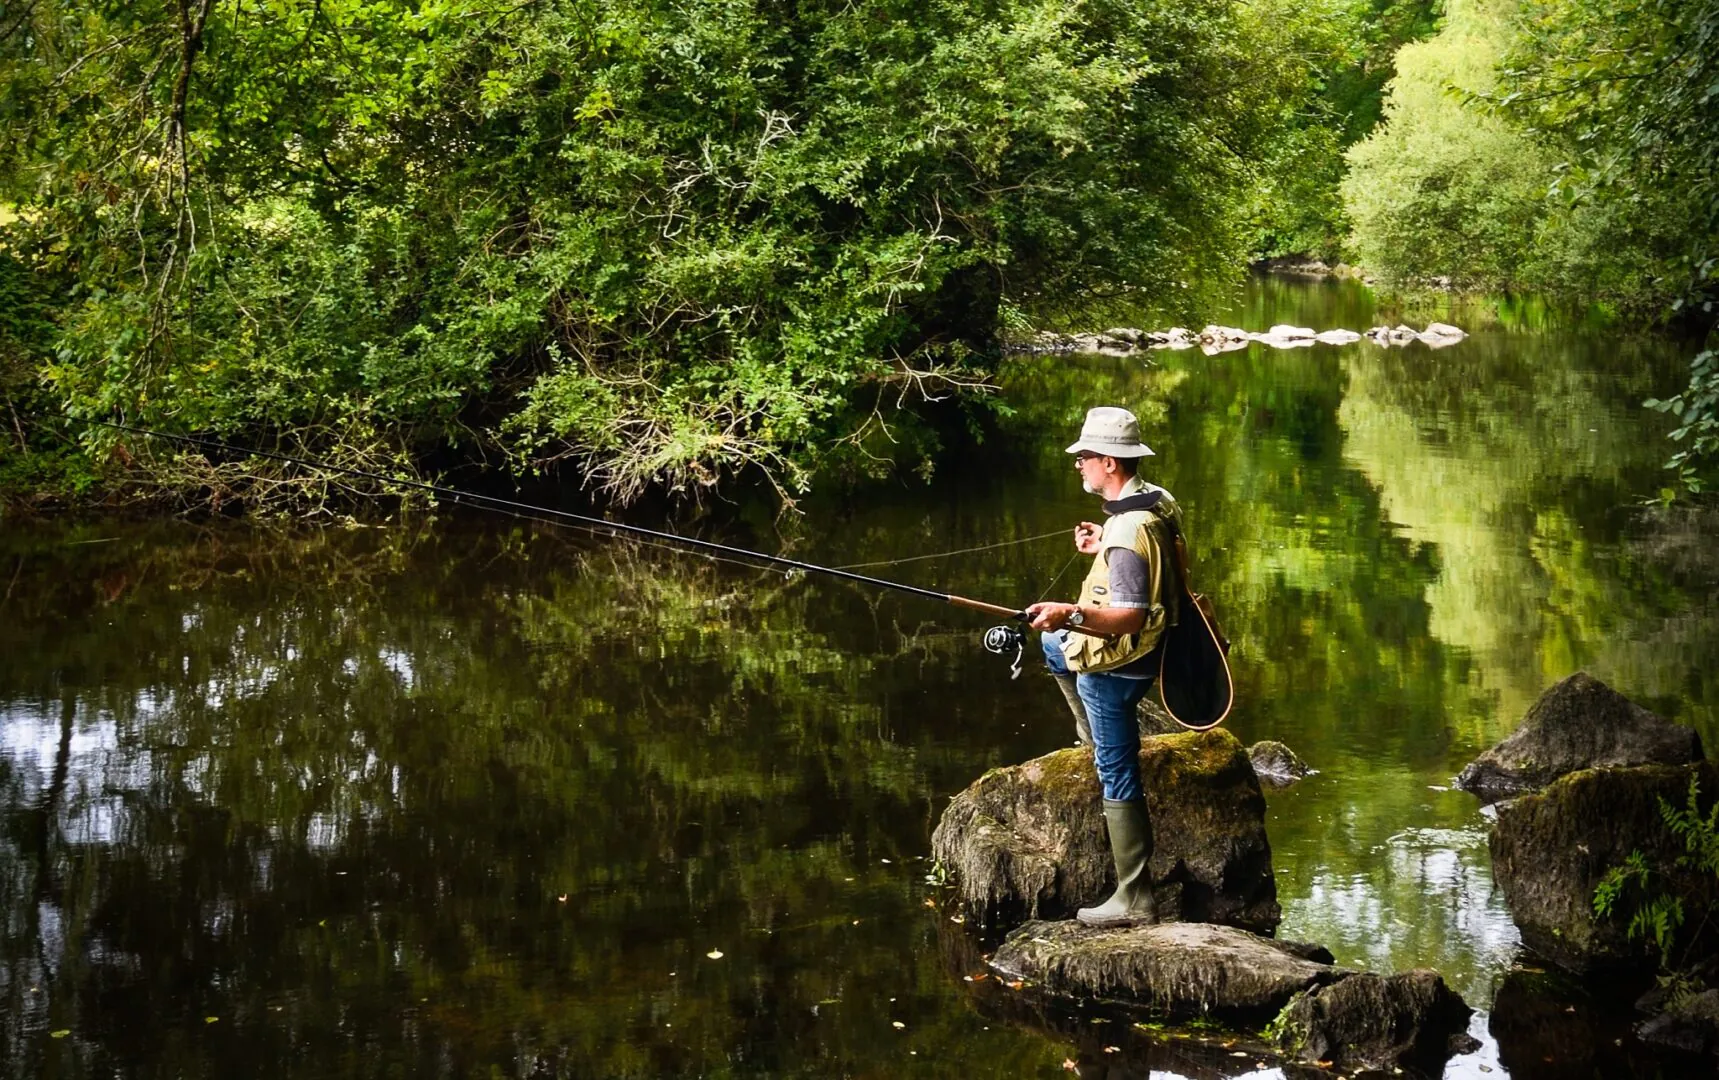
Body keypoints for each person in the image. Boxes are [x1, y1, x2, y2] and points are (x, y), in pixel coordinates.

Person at [1024, 406, 1182, 928]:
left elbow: (1130, 614)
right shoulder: (1156, 503)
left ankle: (1135, 898)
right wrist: (1104, 548)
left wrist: (1070, 612)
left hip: (1119, 665)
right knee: (1054, 650)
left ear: (1110, 463)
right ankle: (1090, 734)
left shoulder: (1127, 531)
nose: (1080, 465)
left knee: (1116, 769)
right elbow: (1161, 571)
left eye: (1086, 457)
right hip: (1161, 646)